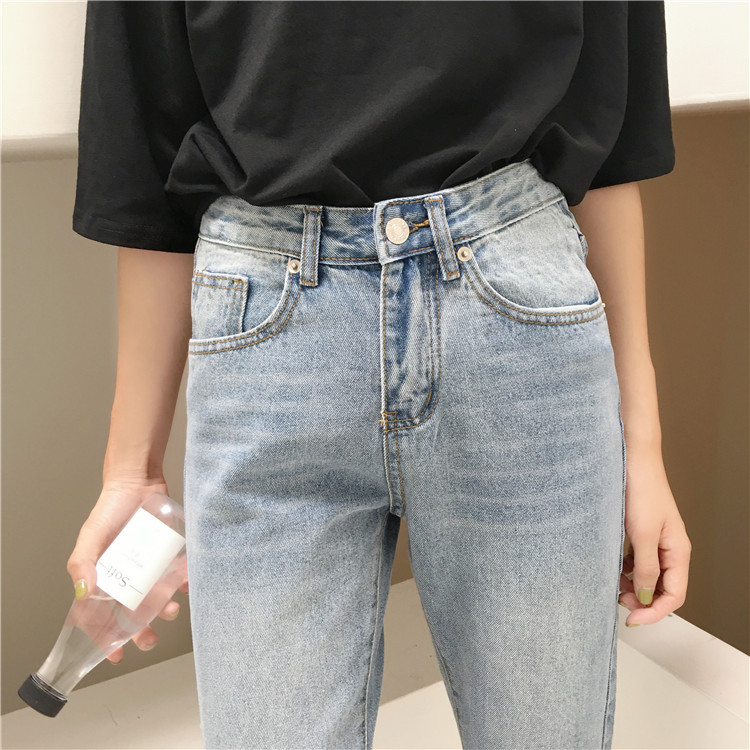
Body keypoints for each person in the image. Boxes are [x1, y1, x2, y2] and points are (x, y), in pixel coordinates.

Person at [67, 2, 692, 748]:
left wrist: (642, 448)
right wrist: (129, 471)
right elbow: (145, 145)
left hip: (513, 306)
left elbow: (610, 137)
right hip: (268, 337)